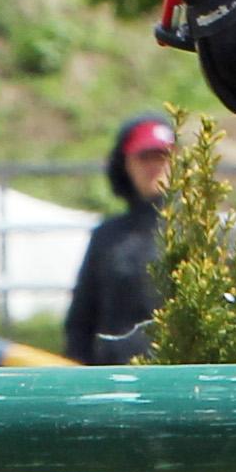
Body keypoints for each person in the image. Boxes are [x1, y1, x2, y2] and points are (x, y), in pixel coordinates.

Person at [62, 115, 176, 364]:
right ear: (125, 164)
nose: (154, 166)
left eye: (162, 156)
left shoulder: (197, 232)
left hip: (180, 380)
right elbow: (81, 322)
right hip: (113, 378)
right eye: (144, 157)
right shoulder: (107, 236)